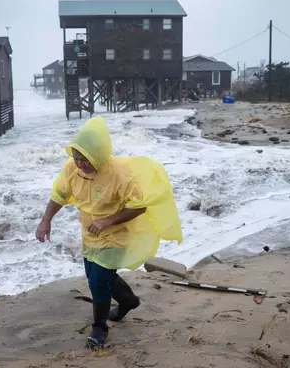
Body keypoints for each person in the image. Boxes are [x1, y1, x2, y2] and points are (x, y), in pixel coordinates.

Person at [35, 116, 183, 348]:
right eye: (76, 158)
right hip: (90, 232)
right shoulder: (71, 169)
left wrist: (108, 221)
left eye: (85, 159)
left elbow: (139, 205)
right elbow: (59, 195)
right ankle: (129, 301)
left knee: (99, 283)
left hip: (116, 234)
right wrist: (46, 220)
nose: (79, 164)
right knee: (97, 278)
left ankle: (99, 328)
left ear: (98, 155)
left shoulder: (120, 174)